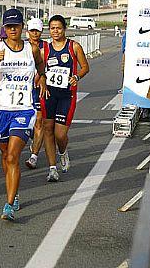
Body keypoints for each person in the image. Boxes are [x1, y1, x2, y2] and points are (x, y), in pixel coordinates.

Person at [0, 8, 46, 220]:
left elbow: (40, 66)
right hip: (0, 108)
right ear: (4, 28)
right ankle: (13, 190)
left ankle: (8, 205)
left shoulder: (31, 48)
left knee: (12, 155)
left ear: (22, 27)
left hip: (23, 109)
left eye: (16, 26)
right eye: (8, 26)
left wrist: (42, 77)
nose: (12, 30)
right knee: (5, 156)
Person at [40, 15, 90, 182]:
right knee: (47, 129)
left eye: (58, 28)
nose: (55, 31)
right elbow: (39, 71)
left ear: (64, 29)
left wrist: (77, 76)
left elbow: (85, 67)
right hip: (49, 94)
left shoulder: (73, 46)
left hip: (67, 95)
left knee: (60, 135)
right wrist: (42, 82)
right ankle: (52, 168)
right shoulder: (45, 49)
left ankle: (63, 152)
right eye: (52, 28)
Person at [25, 18, 48, 169]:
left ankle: (34, 156)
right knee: (29, 124)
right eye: (32, 30)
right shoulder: (21, 46)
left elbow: (45, 65)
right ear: (27, 31)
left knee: (40, 122)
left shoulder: (47, 46)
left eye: (37, 30)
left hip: (39, 87)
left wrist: (40, 78)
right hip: (24, 89)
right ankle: (33, 138)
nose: (35, 33)